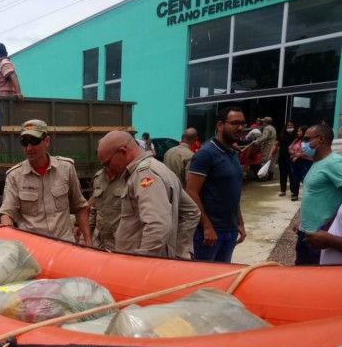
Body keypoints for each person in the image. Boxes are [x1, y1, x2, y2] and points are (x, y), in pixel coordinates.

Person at [96, 131, 199, 258]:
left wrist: (143, 262)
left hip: (140, 266)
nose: (108, 169)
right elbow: (191, 212)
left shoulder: (145, 174)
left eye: (107, 163)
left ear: (123, 152)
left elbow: (157, 225)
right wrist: (178, 251)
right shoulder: (158, 168)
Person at [0, 120, 91, 245]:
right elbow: (7, 213)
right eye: (24, 143)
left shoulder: (66, 168)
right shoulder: (14, 176)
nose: (29, 148)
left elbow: (80, 207)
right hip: (33, 249)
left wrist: (88, 241)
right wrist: (8, 237)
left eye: (34, 141)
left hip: (64, 246)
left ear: (47, 141)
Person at [186, 106, 247, 263]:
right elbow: (191, 192)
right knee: (203, 281)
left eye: (242, 123)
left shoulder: (232, 153)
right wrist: (207, 227)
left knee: (221, 279)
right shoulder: (205, 154)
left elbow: (232, 192)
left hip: (230, 230)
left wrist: (239, 222)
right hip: (210, 234)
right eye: (234, 123)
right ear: (220, 125)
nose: (239, 128)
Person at [294, 123, 342, 265]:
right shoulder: (316, 163)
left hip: (321, 236)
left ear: (321, 140)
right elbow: (313, 195)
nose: (303, 143)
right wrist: (302, 221)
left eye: (307, 139)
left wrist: (326, 227)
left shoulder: (335, 163)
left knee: (316, 278)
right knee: (301, 276)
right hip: (306, 232)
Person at [87, 165, 124, 251]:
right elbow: (94, 209)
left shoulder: (129, 177)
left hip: (119, 242)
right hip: (99, 240)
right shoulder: (98, 177)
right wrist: (87, 236)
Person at [0, 43, 23, 132]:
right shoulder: (4, 63)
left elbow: (13, 76)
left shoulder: (4, 63)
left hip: (0, 107)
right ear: (6, 53)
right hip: (1, 107)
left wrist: (18, 93)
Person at [289, 125, 311, 201]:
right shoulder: (296, 140)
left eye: (299, 131)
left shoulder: (309, 141)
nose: (297, 132)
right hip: (294, 161)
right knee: (295, 178)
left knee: (304, 178)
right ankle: (295, 194)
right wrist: (296, 154)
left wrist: (298, 156)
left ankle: (308, 194)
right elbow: (290, 149)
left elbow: (308, 151)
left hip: (305, 161)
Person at [276, 121, 298, 198]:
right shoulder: (281, 135)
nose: (289, 126)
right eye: (288, 125)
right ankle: (283, 190)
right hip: (282, 157)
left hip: (293, 158)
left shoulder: (296, 136)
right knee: (283, 174)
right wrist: (271, 154)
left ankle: (293, 191)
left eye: (291, 125)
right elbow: (275, 145)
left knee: (292, 175)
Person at [253, 116, 277, 180]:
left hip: (268, 147)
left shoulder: (267, 128)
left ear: (266, 122)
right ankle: (270, 175)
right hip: (273, 147)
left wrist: (257, 141)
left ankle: (263, 176)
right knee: (271, 162)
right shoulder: (272, 128)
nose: (262, 122)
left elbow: (264, 137)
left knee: (264, 161)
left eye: (263, 121)